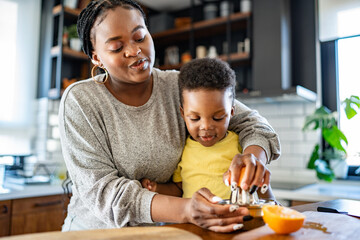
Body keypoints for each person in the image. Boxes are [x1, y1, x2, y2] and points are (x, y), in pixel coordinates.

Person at [59, 0, 280, 233]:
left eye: (140, 37)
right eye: (116, 47)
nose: (135, 51)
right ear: (96, 57)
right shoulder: (81, 100)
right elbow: (104, 193)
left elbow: (254, 124)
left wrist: (253, 158)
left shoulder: (178, 85)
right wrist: (186, 210)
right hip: (94, 235)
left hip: (164, 233)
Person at [141, 58, 272, 202]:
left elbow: (257, 181)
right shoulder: (182, 150)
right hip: (193, 223)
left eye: (218, 118)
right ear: (183, 113)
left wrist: (273, 204)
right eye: (195, 118)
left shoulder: (240, 146)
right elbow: (179, 189)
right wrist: (156, 188)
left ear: (232, 112)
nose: (206, 126)